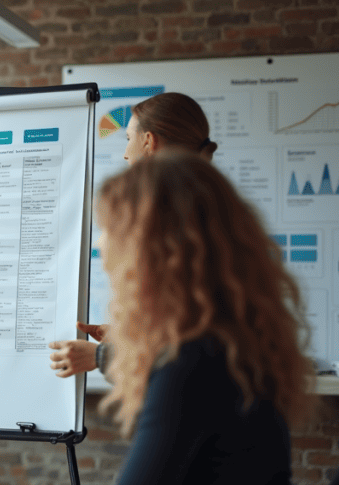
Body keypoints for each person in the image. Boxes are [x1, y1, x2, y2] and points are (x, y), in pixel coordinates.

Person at [0, 152, 316, 485]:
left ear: (153, 254)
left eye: (111, 236)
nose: (104, 254)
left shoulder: (188, 365)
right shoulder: (238, 348)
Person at [48, 92, 218, 379]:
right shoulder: (206, 208)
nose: (126, 153)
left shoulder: (170, 219)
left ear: (149, 142)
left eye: (128, 138)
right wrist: (131, 334)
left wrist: (101, 355)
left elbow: (186, 350)